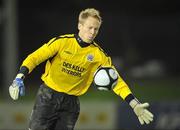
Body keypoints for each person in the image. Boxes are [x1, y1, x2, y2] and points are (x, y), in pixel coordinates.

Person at [9, 8, 154, 130]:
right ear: (80, 25)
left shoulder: (98, 55)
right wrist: (19, 78)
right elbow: (34, 58)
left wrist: (134, 104)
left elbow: (117, 82)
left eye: (96, 29)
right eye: (90, 27)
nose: (92, 32)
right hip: (48, 96)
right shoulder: (62, 42)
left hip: (71, 103)